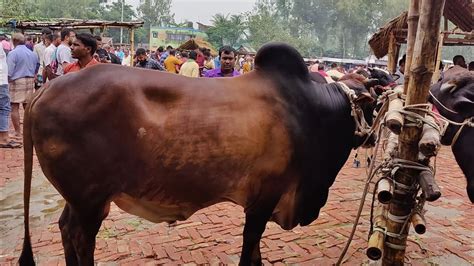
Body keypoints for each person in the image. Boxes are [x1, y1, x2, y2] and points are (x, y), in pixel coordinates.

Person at [6, 33, 38, 140]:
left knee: (14, 106)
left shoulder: (13, 53)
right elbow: (35, 67)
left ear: (14, 41)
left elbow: (9, 71)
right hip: (30, 81)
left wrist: (7, 80)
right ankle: (30, 132)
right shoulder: (32, 53)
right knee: (27, 107)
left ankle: (18, 133)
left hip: (17, 80)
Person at [0, 41, 20, 148]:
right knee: (4, 108)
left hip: (2, 81)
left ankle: (3, 136)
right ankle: (3, 138)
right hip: (1, 81)